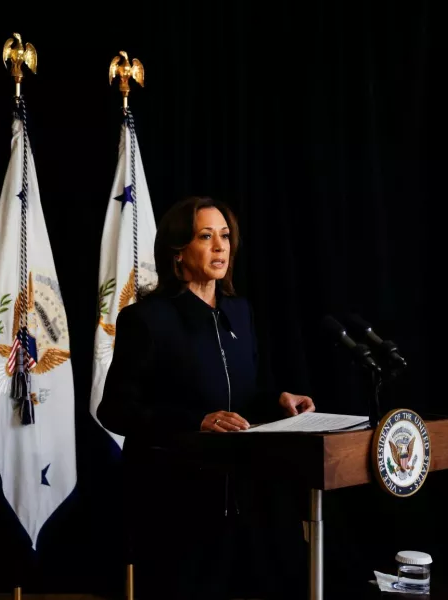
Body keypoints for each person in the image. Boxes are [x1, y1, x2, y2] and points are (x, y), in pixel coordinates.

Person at [97, 196, 314, 599]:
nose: (220, 247)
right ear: (178, 252)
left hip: (244, 504)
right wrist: (195, 420)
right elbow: (115, 410)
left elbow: (241, 398)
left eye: (226, 236)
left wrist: (278, 401)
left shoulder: (240, 312)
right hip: (174, 506)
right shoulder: (146, 319)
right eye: (205, 236)